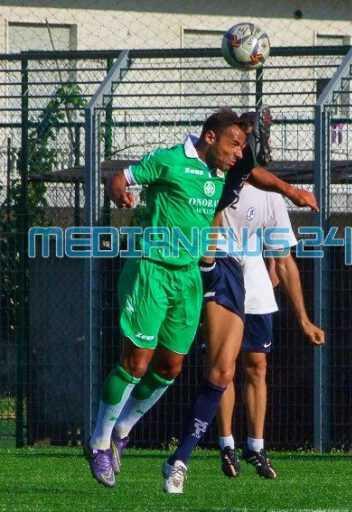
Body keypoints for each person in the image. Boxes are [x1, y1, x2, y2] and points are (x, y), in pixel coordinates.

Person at [85, 108, 317, 488]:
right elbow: (119, 179)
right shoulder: (169, 160)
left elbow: (252, 171)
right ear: (210, 137)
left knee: (170, 368)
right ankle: (97, 443)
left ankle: (121, 432)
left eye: (243, 146)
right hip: (151, 268)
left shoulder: (222, 172)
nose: (239, 153)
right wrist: (119, 193)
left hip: (188, 277)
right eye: (234, 144)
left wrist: (292, 191)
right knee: (137, 362)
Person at [161, 108, 320, 493]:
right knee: (169, 365)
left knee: (227, 370)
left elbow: (283, 257)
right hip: (194, 264)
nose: (241, 148)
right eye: (240, 138)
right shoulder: (201, 165)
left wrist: (292, 191)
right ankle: (217, 441)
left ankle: (183, 458)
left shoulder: (243, 169)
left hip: (227, 269)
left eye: (248, 140)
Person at [215, 180, 325, 480]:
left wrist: (304, 319)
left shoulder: (272, 195)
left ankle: (256, 446)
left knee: (258, 366)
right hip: (219, 282)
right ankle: (226, 444)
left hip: (255, 287)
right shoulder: (213, 180)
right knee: (223, 368)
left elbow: (284, 259)